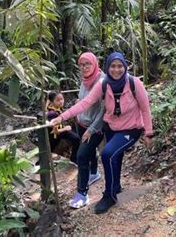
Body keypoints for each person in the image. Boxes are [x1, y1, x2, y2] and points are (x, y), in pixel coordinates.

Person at [51, 52, 153, 214]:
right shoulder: (104, 84)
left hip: (131, 129)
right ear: (107, 67)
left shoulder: (134, 84)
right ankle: (116, 186)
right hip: (112, 127)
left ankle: (109, 196)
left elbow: (145, 108)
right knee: (115, 157)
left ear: (125, 67)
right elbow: (85, 103)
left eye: (120, 66)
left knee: (107, 154)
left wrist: (148, 133)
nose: (116, 70)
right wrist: (62, 117)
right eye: (113, 66)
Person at [68, 52, 105, 209]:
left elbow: (104, 111)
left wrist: (91, 129)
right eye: (81, 65)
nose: (84, 67)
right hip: (81, 122)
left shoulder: (102, 81)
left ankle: (82, 194)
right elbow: (83, 100)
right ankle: (94, 173)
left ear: (94, 63)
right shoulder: (85, 80)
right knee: (89, 152)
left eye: (87, 64)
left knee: (81, 155)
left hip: (95, 128)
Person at [35, 91, 80, 164]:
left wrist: (48, 96)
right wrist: (66, 128)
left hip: (58, 129)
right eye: (58, 100)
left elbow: (46, 107)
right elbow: (55, 132)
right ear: (52, 102)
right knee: (49, 150)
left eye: (62, 99)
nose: (61, 102)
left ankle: (73, 158)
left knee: (76, 139)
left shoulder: (52, 107)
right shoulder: (53, 114)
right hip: (54, 134)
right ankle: (39, 164)